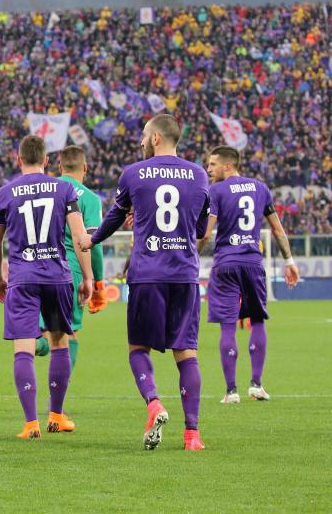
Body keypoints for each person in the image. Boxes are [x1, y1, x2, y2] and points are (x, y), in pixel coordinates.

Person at [81, 114, 210, 451]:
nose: (140, 141)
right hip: (184, 274)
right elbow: (200, 231)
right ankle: (192, 435)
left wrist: (91, 240)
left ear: (155, 138)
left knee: (138, 348)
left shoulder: (134, 174)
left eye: (143, 135)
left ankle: (154, 402)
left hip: (147, 273)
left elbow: (113, 218)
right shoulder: (198, 174)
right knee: (186, 353)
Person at [0, 135, 93, 440]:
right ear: (47, 161)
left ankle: (30, 423)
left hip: (23, 277)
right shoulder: (64, 188)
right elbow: (79, 236)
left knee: (23, 349)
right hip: (58, 275)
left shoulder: (6, 192)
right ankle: (57, 416)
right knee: (61, 343)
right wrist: (87, 277)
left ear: (18, 159)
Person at [199, 145, 300, 404]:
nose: (208, 169)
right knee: (257, 320)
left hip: (225, 264)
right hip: (254, 263)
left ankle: (231, 391)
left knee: (228, 325)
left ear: (228, 165)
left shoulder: (216, 191)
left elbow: (207, 233)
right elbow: (277, 230)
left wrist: (192, 256)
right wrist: (289, 260)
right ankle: (256, 385)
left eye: (213, 164)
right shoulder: (260, 188)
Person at [39, 146, 107, 368]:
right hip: (71, 270)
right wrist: (97, 280)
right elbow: (91, 243)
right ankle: (58, 397)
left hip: (40, 265)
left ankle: (33, 345)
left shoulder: (45, 189)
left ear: (59, 167)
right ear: (85, 168)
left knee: (44, 329)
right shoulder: (90, 198)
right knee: (69, 333)